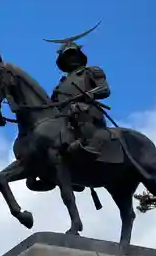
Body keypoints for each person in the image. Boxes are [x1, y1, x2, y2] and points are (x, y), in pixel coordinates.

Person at [47, 26, 111, 158]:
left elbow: (105, 89)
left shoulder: (91, 71)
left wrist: (90, 94)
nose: (71, 58)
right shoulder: (60, 86)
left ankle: (90, 146)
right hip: (65, 120)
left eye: (73, 54)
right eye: (67, 56)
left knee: (78, 109)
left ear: (79, 55)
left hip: (86, 111)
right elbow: (51, 108)